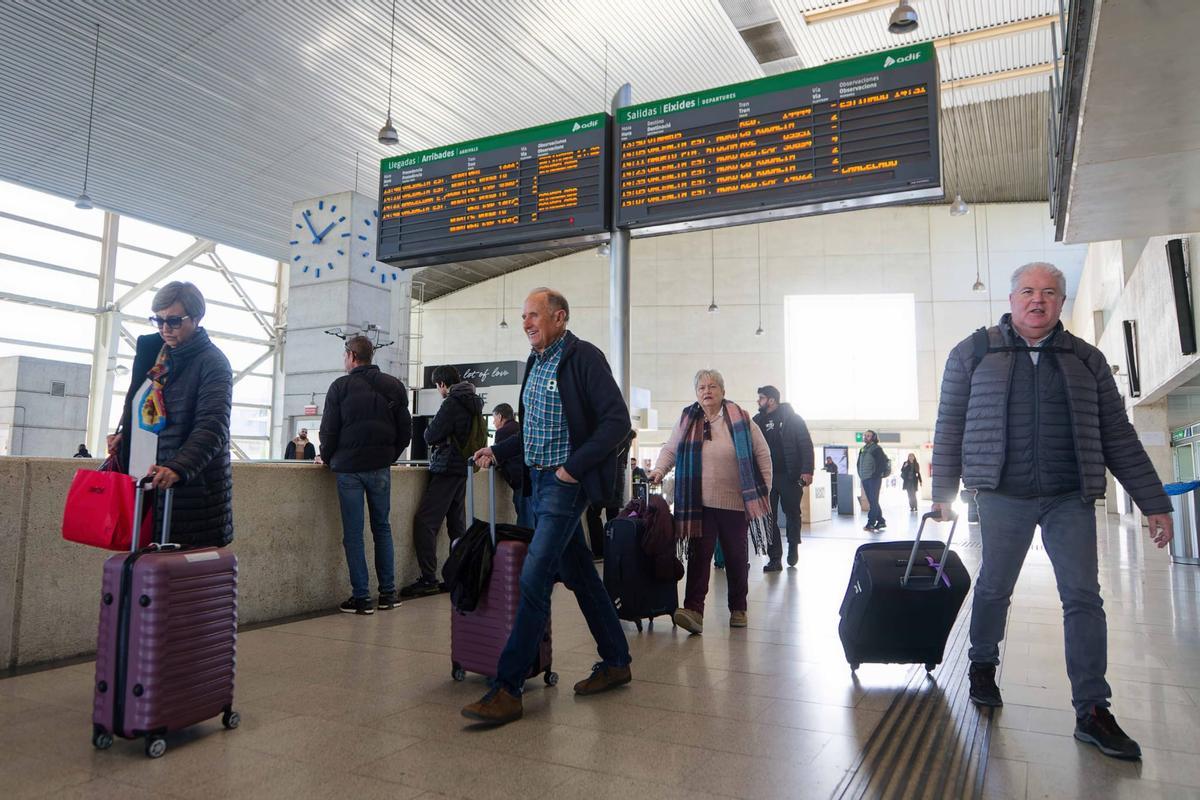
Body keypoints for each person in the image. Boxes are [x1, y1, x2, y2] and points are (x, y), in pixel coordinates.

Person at [932, 261, 1174, 761]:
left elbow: (1118, 436)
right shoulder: (973, 353)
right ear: (1011, 297)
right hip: (1001, 492)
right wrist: (941, 489)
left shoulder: (1086, 360)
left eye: (1048, 292)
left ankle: (1092, 710)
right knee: (995, 587)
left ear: (1062, 302)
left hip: (1070, 496)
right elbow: (949, 425)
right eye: (1027, 291)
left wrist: (1153, 502)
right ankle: (981, 664)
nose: (1036, 300)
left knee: (1083, 598)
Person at [463, 288, 632, 725]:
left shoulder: (584, 359)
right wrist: (501, 452)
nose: (526, 323)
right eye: (523, 317)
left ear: (559, 317)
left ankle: (508, 687)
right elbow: (536, 430)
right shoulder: (537, 364)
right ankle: (616, 660)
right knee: (579, 574)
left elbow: (617, 421)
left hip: (563, 483)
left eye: (533, 315)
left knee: (534, 578)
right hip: (537, 481)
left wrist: (573, 469)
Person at [106, 281, 233, 548]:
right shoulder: (156, 356)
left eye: (174, 321)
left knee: (177, 581)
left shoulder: (213, 362)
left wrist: (178, 467)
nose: (165, 329)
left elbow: (213, 426)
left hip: (186, 490)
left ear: (196, 318)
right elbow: (139, 402)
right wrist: (126, 436)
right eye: (159, 320)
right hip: (142, 483)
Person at [649, 369, 773, 634]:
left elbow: (762, 452)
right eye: (702, 387)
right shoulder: (687, 418)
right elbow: (671, 448)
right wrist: (659, 470)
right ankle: (694, 610)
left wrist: (764, 490)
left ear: (723, 391)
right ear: (696, 393)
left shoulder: (741, 418)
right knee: (699, 556)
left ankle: (739, 608)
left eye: (713, 386)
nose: (707, 391)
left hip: (735, 502)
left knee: (736, 557)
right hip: (698, 504)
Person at [317, 335, 411, 615]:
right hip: (380, 467)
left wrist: (327, 455)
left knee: (354, 534)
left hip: (349, 470)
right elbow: (405, 431)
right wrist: (388, 456)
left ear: (351, 356)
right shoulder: (394, 386)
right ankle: (388, 594)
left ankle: (361, 598)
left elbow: (329, 430)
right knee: (382, 528)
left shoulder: (340, 387)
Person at [404, 365, 482, 598]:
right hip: (462, 469)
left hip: (447, 468)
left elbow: (430, 435)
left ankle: (428, 578)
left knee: (424, 522)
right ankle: (457, 576)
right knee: (456, 525)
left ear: (441, 384)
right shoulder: (472, 401)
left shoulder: (451, 402)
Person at [753, 385, 813, 571]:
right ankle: (775, 558)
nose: (758, 401)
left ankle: (793, 545)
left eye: (761, 398)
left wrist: (807, 470)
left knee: (792, 513)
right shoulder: (756, 422)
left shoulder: (792, 419)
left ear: (771, 400)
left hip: (790, 475)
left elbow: (805, 445)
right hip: (766, 478)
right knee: (769, 517)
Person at [492, 403, 531, 528]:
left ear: (500, 416)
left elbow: (499, 456)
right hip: (529, 478)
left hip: (519, 481)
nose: (493, 422)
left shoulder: (502, 432)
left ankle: (528, 547)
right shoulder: (520, 428)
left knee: (524, 521)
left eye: (494, 418)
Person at [856, 430, 888, 531]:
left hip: (873, 479)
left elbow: (881, 464)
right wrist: (860, 475)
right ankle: (881, 521)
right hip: (865, 478)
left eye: (868, 436)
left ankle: (871, 523)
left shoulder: (876, 449)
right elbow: (859, 463)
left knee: (873, 501)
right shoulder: (863, 449)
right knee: (872, 501)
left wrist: (875, 475)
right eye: (865, 436)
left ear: (873, 437)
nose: (865, 437)